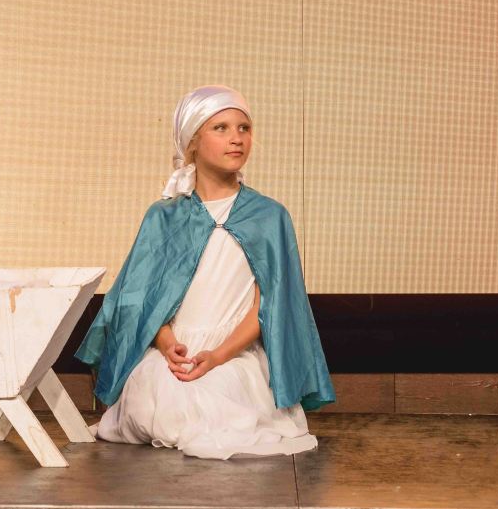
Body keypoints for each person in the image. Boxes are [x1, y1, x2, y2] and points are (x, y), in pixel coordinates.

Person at [75, 85, 334, 459]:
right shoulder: (164, 216)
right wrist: (167, 344)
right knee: (158, 407)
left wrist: (219, 355)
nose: (236, 139)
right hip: (174, 352)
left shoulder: (269, 216)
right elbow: (142, 297)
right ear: (192, 142)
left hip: (233, 351)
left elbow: (271, 304)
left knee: (219, 413)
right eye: (221, 128)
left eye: (244, 128)